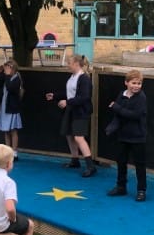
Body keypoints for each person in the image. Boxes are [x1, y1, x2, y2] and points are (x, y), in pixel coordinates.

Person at [44, 54, 96, 177]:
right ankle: (75, 160)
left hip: (81, 111)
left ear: (76, 64)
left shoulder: (84, 79)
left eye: (69, 63)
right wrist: (56, 96)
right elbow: (69, 93)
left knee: (79, 137)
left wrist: (67, 102)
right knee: (69, 135)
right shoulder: (73, 77)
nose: (68, 65)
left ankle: (90, 166)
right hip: (71, 110)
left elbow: (84, 97)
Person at [106, 69, 148, 202]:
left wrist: (117, 107)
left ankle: (141, 190)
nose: (136, 86)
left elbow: (134, 115)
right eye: (134, 83)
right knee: (121, 161)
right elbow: (118, 116)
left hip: (137, 136)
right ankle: (121, 186)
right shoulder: (121, 95)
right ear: (126, 83)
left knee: (139, 164)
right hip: (123, 135)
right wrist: (112, 127)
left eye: (139, 83)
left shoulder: (141, 98)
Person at [0, 60, 23, 159]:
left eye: (7, 68)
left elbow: (10, 88)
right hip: (4, 107)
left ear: (12, 68)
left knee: (13, 130)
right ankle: (7, 151)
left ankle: (14, 153)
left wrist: (6, 75)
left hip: (12, 107)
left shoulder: (16, 79)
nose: (6, 70)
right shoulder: (6, 76)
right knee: (6, 130)